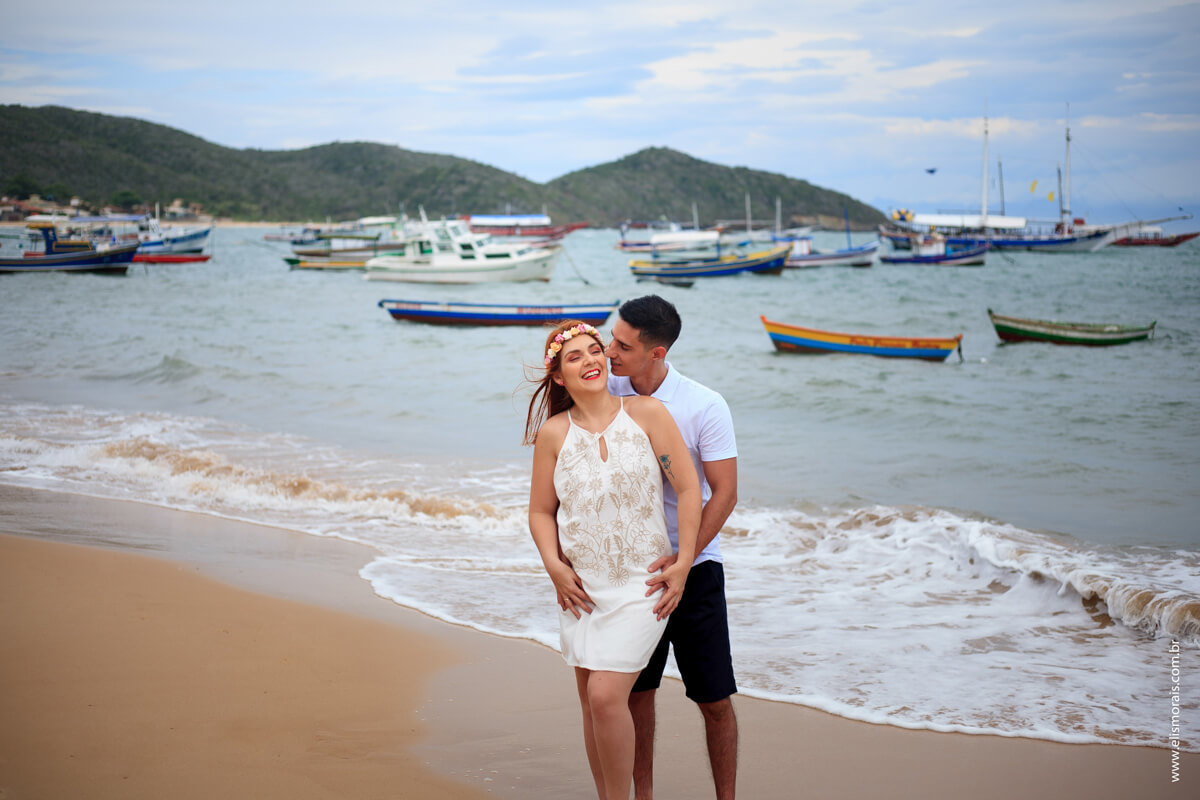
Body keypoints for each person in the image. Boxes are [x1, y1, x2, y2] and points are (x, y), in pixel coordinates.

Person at [525, 319, 702, 800]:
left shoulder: (647, 414)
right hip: (581, 589)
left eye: (594, 350)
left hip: (641, 585)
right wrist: (554, 567)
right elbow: (540, 511)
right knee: (591, 705)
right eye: (574, 356)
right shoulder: (553, 434)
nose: (590, 360)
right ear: (558, 376)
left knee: (605, 696)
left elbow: (689, 489)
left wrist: (684, 561)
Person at [605, 295, 740, 800]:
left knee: (714, 700)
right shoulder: (606, 390)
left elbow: (724, 493)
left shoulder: (704, 405)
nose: (610, 351)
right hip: (633, 570)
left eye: (623, 346)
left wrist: (684, 561)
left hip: (696, 568)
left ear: (656, 353)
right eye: (612, 338)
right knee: (637, 694)